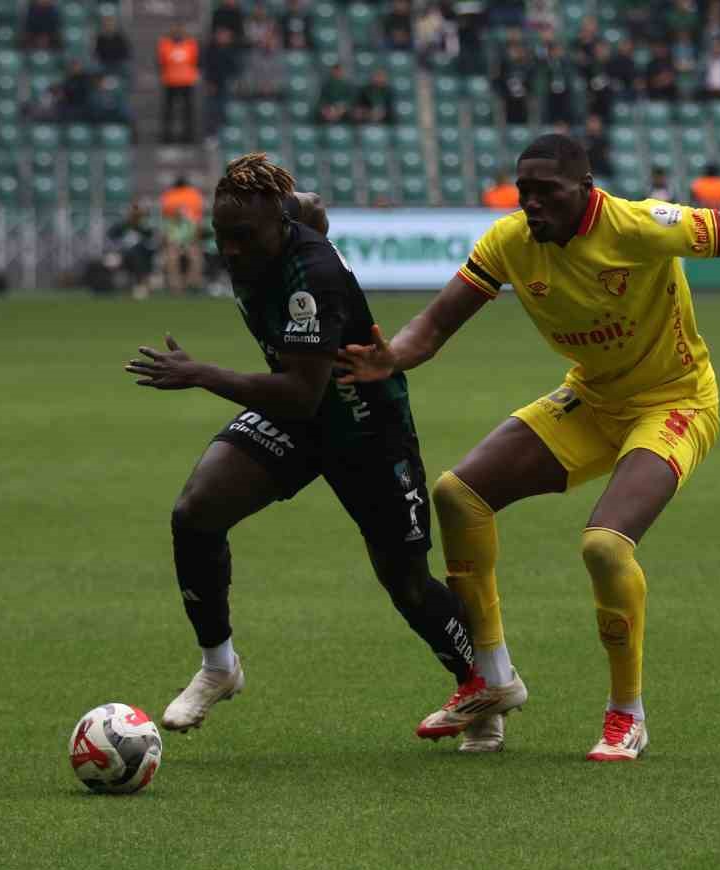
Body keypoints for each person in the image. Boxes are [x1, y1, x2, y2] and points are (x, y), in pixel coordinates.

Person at [336, 134, 720, 760]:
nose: (531, 205)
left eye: (546, 193)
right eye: (524, 193)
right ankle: (491, 683)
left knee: (604, 544)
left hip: (674, 403)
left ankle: (626, 713)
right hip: (594, 401)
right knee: (458, 495)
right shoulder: (509, 242)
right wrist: (391, 357)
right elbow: (435, 325)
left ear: (586, 188)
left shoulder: (639, 226)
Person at [120, 155, 480, 738]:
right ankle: (218, 667)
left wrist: (202, 374)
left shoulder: (309, 277)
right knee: (196, 513)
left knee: (406, 581)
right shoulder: (283, 214)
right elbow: (310, 206)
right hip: (299, 415)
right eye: (221, 236)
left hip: (364, 423)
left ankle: (480, 685)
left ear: (277, 230)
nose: (230, 249)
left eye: (243, 238)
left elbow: (299, 394)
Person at [160, 175, 205, 291]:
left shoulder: (170, 196)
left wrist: (189, 245)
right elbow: (168, 236)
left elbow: (195, 233)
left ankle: (192, 285)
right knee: (171, 257)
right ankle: (176, 287)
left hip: (189, 244)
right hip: (175, 245)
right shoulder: (171, 222)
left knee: (195, 257)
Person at [157, 25, 200, 145]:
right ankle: (167, 136)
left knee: (187, 111)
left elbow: (195, 61)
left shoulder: (191, 44)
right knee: (169, 111)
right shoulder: (165, 44)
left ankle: (188, 135)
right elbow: (161, 62)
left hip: (186, 81)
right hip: (170, 81)